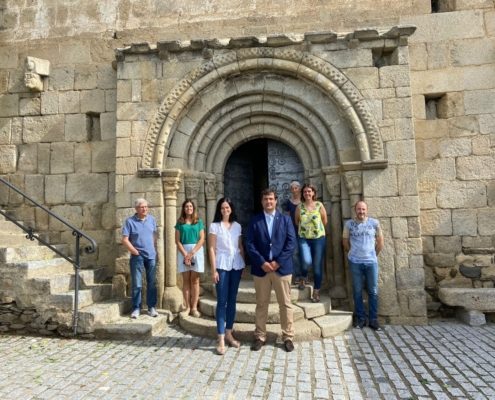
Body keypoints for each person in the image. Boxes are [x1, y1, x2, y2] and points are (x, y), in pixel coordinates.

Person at [246, 188, 296, 352]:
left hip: (281, 269)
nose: (268, 202)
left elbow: (291, 244)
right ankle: (260, 336)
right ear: (262, 202)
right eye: (265, 199)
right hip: (261, 270)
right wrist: (262, 262)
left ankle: (288, 336)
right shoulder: (255, 220)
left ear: (276, 201)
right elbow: (250, 244)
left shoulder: (286, 220)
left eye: (271, 199)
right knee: (261, 304)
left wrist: (277, 262)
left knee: (285, 304)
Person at [208, 197, 245, 355]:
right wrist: (213, 270)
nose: (225, 210)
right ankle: (221, 337)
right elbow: (211, 248)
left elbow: (240, 246)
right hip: (221, 266)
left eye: (227, 208)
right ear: (219, 210)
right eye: (222, 208)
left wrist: (243, 262)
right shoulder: (214, 226)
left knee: (232, 300)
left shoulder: (237, 226)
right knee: (222, 301)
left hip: (236, 265)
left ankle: (229, 332)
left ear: (231, 209)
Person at [342, 200, 384, 331]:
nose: (361, 212)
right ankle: (360, 318)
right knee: (357, 291)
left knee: (373, 291)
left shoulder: (374, 223)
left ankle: (373, 319)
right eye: (359, 209)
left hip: (371, 262)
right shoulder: (349, 224)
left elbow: (380, 241)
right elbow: (345, 241)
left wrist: (373, 255)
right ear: (355, 210)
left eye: (363, 209)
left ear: (367, 210)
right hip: (355, 262)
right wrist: (352, 254)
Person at [122, 198, 159, 319]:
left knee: (152, 283)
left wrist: (153, 248)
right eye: (142, 207)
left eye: (146, 207)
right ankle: (136, 308)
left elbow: (154, 235)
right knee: (137, 283)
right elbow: (125, 240)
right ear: (136, 209)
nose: (145, 209)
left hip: (151, 255)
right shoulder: (129, 221)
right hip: (137, 256)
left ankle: (151, 307)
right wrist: (134, 251)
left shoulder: (152, 220)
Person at [295, 183, 328, 302]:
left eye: (309, 191)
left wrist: (315, 231)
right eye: (305, 192)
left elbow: (324, 221)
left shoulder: (319, 205)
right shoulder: (299, 207)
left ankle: (316, 291)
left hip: (318, 238)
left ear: (313, 193)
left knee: (317, 266)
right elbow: (297, 221)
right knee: (305, 261)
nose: (307, 193)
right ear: (302, 194)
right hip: (303, 238)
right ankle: (303, 276)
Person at [175, 199, 205, 318]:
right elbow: (177, 240)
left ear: (193, 208)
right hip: (183, 251)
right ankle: (187, 307)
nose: (189, 208)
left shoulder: (199, 222)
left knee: (195, 281)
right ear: (184, 209)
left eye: (190, 206)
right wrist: (185, 254)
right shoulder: (180, 222)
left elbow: (202, 239)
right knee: (186, 280)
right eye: (186, 206)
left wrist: (191, 253)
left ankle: (194, 308)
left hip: (196, 251)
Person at [282, 180, 302, 286]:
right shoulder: (288, 203)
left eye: (296, 188)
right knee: (295, 254)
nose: (294, 190)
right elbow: (287, 217)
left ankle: (305, 275)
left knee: (305, 254)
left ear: (299, 189)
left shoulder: (304, 202)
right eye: (292, 188)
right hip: (293, 231)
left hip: (304, 232)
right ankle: (297, 275)